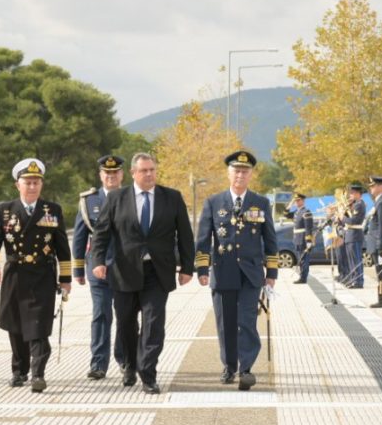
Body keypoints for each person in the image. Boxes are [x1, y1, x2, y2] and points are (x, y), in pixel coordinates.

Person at [90, 152, 195, 395]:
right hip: (124, 271)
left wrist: (187, 268)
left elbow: (185, 236)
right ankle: (129, 365)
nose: (149, 174)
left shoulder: (172, 198)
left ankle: (148, 374)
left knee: (153, 323)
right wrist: (97, 261)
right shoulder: (117, 198)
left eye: (152, 170)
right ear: (134, 174)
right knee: (126, 322)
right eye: (144, 171)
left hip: (157, 273)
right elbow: (101, 233)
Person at [0, 158, 72, 393]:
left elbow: (62, 247)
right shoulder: (4, 211)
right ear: (18, 185)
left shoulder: (52, 210)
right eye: (28, 182)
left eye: (36, 182)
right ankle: (19, 370)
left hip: (42, 275)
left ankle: (38, 374)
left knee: (39, 326)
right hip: (15, 275)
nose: (32, 186)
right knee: (16, 326)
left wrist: (66, 280)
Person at [195, 150, 278, 390]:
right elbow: (203, 239)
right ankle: (229, 366)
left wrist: (271, 273)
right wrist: (202, 268)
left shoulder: (261, 203)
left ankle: (246, 369)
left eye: (245, 171)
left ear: (251, 174)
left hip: (251, 274)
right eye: (236, 170)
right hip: (222, 272)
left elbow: (270, 240)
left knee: (247, 322)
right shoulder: (214, 202)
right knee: (226, 323)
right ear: (228, 173)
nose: (240, 175)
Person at [73, 155, 126, 380]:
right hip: (98, 266)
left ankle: (126, 360)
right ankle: (98, 364)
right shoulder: (89, 201)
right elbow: (79, 235)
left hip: (126, 267)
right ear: (100, 175)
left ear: (121, 175)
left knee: (126, 317)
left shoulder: (131, 197)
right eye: (107, 173)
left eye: (115, 173)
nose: (111, 176)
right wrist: (77, 270)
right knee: (101, 315)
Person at [365, 176, 382, 307]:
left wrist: (381, 244)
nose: (371, 188)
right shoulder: (379, 202)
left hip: (379, 243)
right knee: (380, 272)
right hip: (376, 242)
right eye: (371, 186)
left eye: (373, 185)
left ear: (381, 187)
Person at [343, 183, 366, 288]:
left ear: (357, 194)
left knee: (356, 259)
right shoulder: (354, 204)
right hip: (350, 235)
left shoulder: (360, 204)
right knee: (351, 260)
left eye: (352, 193)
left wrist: (342, 218)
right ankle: (353, 279)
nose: (350, 195)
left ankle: (358, 281)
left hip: (355, 235)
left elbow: (354, 220)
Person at [290, 193, 313, 284]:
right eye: (295, 200)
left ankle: (303, 277)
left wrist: (308, 241)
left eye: (298, 200)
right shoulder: (297, 212)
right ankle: (302, 276)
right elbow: (285, 213)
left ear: (303, 201)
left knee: (304, 259)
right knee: (300, 259)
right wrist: (290, 204)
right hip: (297, 238)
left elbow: (309, 228)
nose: (296, 202)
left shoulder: (306, 212)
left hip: (303, 238)